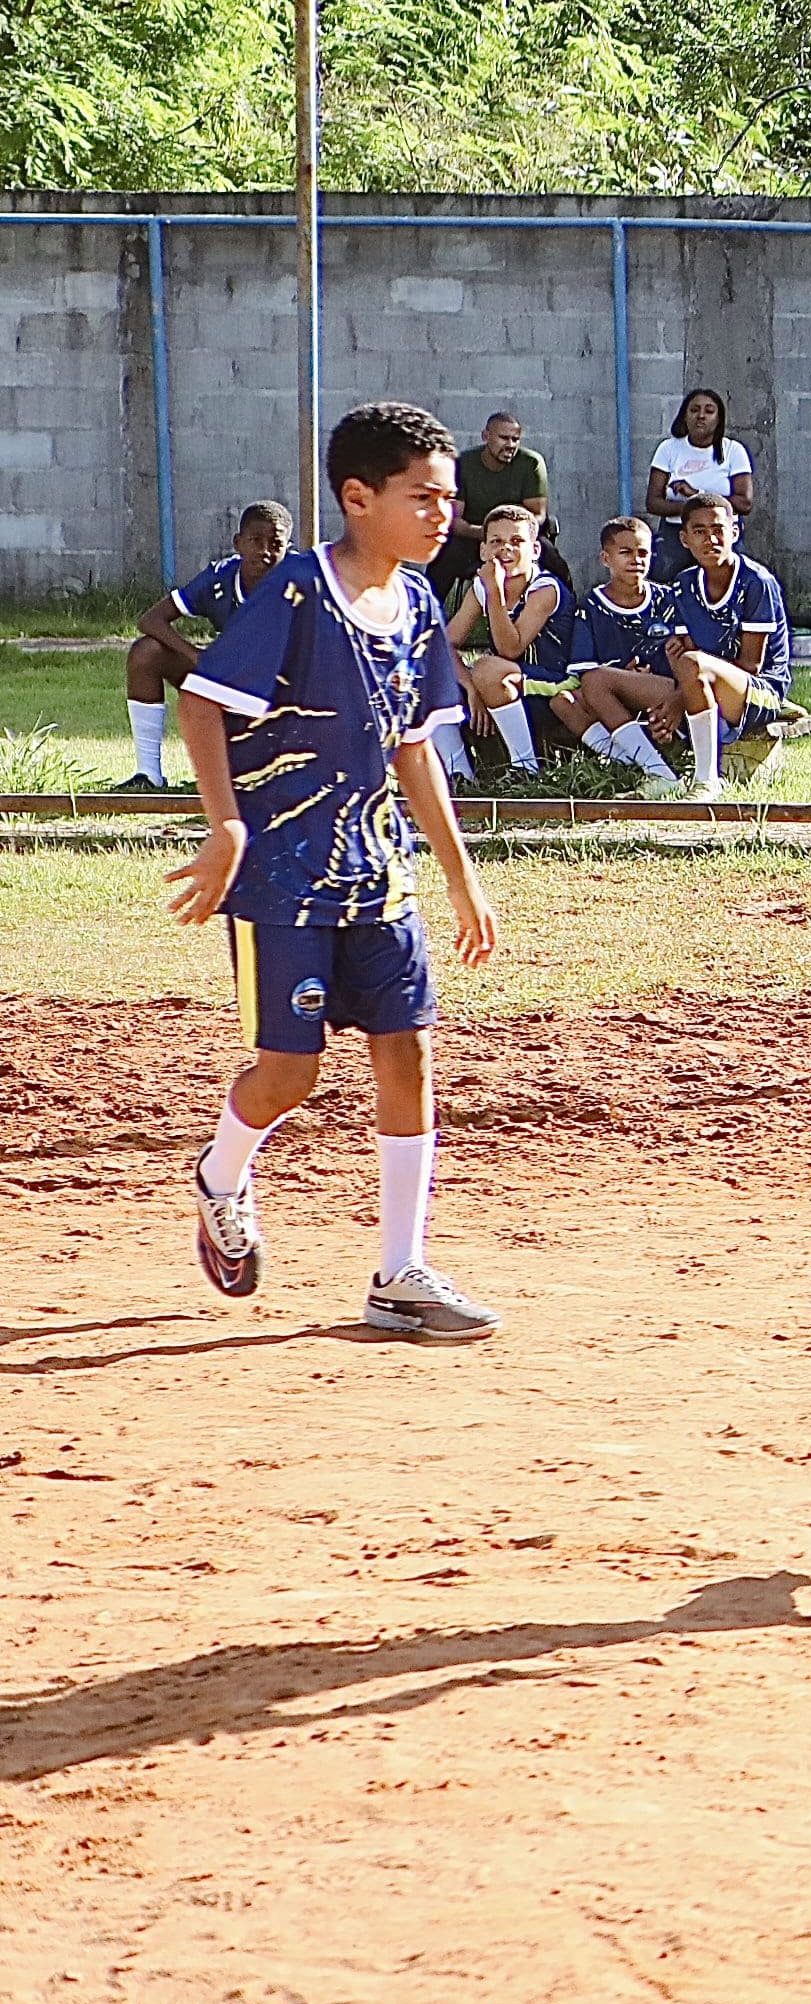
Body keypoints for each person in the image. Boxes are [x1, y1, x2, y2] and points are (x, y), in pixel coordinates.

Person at [161, 401, 504, 1341]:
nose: (444, 515)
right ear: (358, 498)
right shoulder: (302, 591)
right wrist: (226, 827)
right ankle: (221, 1174)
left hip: (378, 871)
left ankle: (401, 1272)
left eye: (450, 498)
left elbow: (413, 748)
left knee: (410, 1050)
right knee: (289, 1077)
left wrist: (461, 875)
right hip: (283, 879)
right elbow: (200, 702)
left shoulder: (424, 603)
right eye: (423, 497)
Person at [125, 500, 290, 786]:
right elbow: (151, 620)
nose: (264, 552)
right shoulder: (219, 578)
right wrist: (198, 658)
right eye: (255, 541)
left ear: (288, 548)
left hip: (282, 691)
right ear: (238, 543)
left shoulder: (299, 583)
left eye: (275, 544)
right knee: (146, 652)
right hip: (228, 683)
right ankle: (148, 774)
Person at [653, 494, 798, 798]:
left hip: (758, 690)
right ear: (684, 539)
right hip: (704, 680)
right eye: (700, 531)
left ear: (735, 531)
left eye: (718, 529)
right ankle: (655, 771)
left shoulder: (756, 582)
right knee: (603, 680)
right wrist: (683, 687)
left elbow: (751, 665)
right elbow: (687, 653)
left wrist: (682, 693)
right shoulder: (683, 584)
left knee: (691, 665)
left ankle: (707, 779)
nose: (711, 539)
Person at [553, 517, 686, 782]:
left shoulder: (669, 599)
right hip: (611, 695)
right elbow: (584, 668)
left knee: (597, 682)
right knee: (563, 701)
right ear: (606, 558)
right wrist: (622, 675)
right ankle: (629, 763)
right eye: (625, 552)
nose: (636, 560)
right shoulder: (591, 605)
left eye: (643, 553)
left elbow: (689, 654)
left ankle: (659, 771)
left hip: (666, 691)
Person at [442, 504, 565, 777]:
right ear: (483, 550)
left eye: (517, 541)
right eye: (496, 541)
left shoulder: (545, 589)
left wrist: (495, 590)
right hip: (503, 685)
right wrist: (470, 688)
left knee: (487, 668)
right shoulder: (482, 587)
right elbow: (444, 645)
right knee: (427, 673)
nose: (505, 549)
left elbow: (511, 649)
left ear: (535, 551)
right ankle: (460, 774)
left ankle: (526, 769)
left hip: (553, 684)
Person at [431, 410, 555, 606]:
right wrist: (488, 535)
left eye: (515, 439)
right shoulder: (464, 464)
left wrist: (513, 534)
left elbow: (538, 515)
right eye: (504, 438)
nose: (510, 445)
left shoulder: (531, 463)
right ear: (486, 436)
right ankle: (425, 620)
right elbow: (454, 520)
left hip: (518, 538)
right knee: (443, 561)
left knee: (553, 560)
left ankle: (570, 618)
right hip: (474, 538)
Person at [643, 387, 755, 561]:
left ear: (719, 419)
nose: (701, 416)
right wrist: (692, 509)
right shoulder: (668, 449)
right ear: (684, 416)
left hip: (721, 536)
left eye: (709, 411)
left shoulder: (733, 450)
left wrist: (697, 496)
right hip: (676, 536)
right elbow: (653, 503)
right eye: (694, 410)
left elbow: (744, 503)